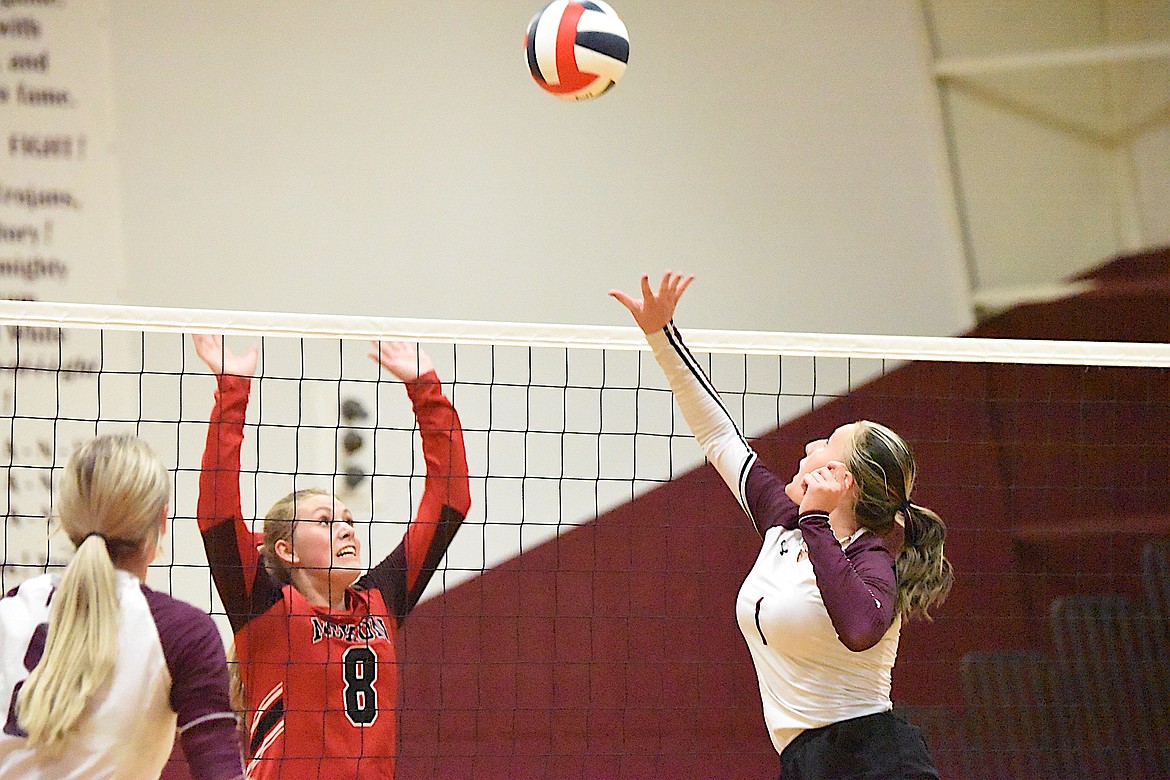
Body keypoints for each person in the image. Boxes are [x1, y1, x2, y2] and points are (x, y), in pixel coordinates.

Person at [611, 272, 953, 779]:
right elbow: (718, 436)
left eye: (826, 445)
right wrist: (662, 337)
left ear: (843, 479)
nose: (809, 447)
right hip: (803, 764)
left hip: (875, 761)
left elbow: (860, 628)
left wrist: (816, 520)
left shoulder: (870, 558)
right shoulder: (783, 523)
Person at [193, 334, 471, 779]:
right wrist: (233, 391)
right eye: (324, 521)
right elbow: (216, 516)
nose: (345, 528)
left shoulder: (380, 601)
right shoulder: (266, 610)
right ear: (286, 550)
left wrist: (426, 388)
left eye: (348, 520)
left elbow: (451, 501)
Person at [0, 434, 244, 780]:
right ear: (162, 520)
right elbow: (219, 772)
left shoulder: (11, 607)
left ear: (68, 520)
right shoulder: (181, 630)